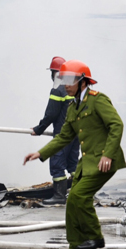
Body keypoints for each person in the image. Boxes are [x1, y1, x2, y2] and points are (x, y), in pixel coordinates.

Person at [24, 60, 125, 249]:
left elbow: (117, 125)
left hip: (103, 161)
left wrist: (107, 154)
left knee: (79, 196)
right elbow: (63, 136)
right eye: (64, 80)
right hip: (86, 163)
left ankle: (95, 238)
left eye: (70, 80)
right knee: (72, 203)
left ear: (83, 81)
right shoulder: (73, 106)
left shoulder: (98, 100)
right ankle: (78, 247)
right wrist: (41, 153)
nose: (66, 84)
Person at [31, 56, 78, 205]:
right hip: (75, 134)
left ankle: (59, 196)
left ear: (55, 74)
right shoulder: (74, 89)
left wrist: (38, 130)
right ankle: (82, 193)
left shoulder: (57, 90)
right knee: (73, 165)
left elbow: (51, 114)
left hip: (62, 136)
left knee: (57, 164)